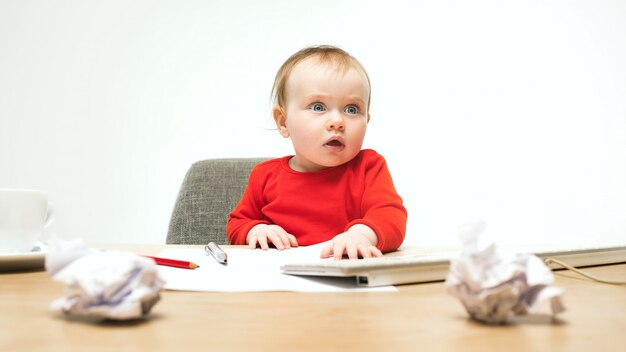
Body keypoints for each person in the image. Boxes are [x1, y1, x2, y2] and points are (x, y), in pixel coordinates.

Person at [227, 45, 407, 260]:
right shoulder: (264, 176)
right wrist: (254, 230)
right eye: (318, 107)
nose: (337, 122)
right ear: (283, 122)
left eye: (352, 109)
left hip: (345, 278)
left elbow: (391, 216)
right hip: (282, 281)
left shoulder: (369, 166)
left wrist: (361, 235)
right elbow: (237, 224)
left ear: (367, 120)